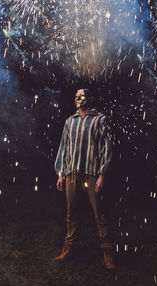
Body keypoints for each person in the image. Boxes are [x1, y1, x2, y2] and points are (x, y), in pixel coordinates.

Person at [53, 88, 115, 270]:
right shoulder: (69, 121)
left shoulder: (100, 120)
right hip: (72, 173)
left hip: (92, 173)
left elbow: (106, 147)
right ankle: (69, 248)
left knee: (100, 214)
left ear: (91, 99)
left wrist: (102, 175)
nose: (79, 99)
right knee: (72, 213)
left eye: (83, 96)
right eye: (77, 96)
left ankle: (108, 252)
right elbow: (64, 147)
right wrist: (60, 173)